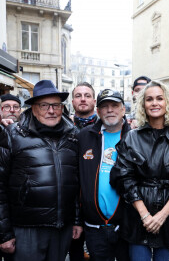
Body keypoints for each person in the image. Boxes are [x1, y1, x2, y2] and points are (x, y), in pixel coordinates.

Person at [110, 80, 169, 261]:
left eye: (160, 98)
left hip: (168, 217)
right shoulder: (131, 138)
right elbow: (124, 178)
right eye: (149, 99)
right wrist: (145, 215)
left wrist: (162, 216)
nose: (155, 103)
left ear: (167, 103)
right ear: (143, 104)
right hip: (137, 217)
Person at [0, 80, 82, 261]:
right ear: (34, 108)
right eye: (44, 105)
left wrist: (76, 220)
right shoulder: (13, 134)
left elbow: (76, 183)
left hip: (62, 227)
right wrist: (4, 233)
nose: (51, 111)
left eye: (56, 105)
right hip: (26, 229)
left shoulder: (73, 135)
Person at [77, 89, 131, 261]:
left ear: (123, 109)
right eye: (104, 106)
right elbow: (76, 179)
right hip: (94, 226)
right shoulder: (84, 136)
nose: (109, 110)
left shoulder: (134, 137)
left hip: (126, 224)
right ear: (98, 111)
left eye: (114, 105)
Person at [69, 82, 97, 261]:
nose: (83, 99)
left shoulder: (107, 127)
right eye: (78, 96)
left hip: (96, 200)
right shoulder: (63, 127)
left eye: (87, 95)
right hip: (71, 202)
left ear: (94, 100)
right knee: (75, 252)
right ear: (72, 101)